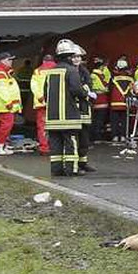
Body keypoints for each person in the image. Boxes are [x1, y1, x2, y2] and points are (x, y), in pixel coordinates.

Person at [43, 39, 96, 176]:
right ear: (68, 56)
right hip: (69, 116)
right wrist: (87, 95)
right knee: (71, 141)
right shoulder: (72, 71)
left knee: (55, 144)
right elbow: (76, 91)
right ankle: (71, 169)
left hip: (52, 116)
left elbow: (45, 93)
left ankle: (56, 169)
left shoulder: (50, 72)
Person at [0, 52, 22, 156]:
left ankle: (1, 145)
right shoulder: (0, 73)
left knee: (3, 126)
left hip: (5, 104)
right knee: (5, 126)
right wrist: (8, 103)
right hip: (4, 105)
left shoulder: (4, 72)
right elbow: (1, 89)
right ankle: (0, 145)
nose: (11, 62)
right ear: (2, 61)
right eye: (9, 60)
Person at [29, 54, 56, 155]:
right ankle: (55, 146)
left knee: (42, 126)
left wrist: (40, 96)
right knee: (55, 125)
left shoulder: (38, 71)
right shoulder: (58, 69)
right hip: (56, 103)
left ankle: (44, 147)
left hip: (42, 103)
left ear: (43, 61)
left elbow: (34, 86)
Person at [108, 56, 134, 142]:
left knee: (114, 121)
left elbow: (109, 90)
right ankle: (123, 136)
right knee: (124, 121)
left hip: (114, 103)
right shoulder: (131, 79)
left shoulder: (113, 79)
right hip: (125, 103)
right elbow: (133, 90)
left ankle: (115, 136)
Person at [89, 57, 112, 140]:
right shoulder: (101, 75)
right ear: (101, 67)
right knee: (100, 119)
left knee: (94, 119)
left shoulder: (91, 75)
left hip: (93, 99)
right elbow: (107, 82)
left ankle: (92, 137)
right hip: (102, 99)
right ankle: (98, 137)